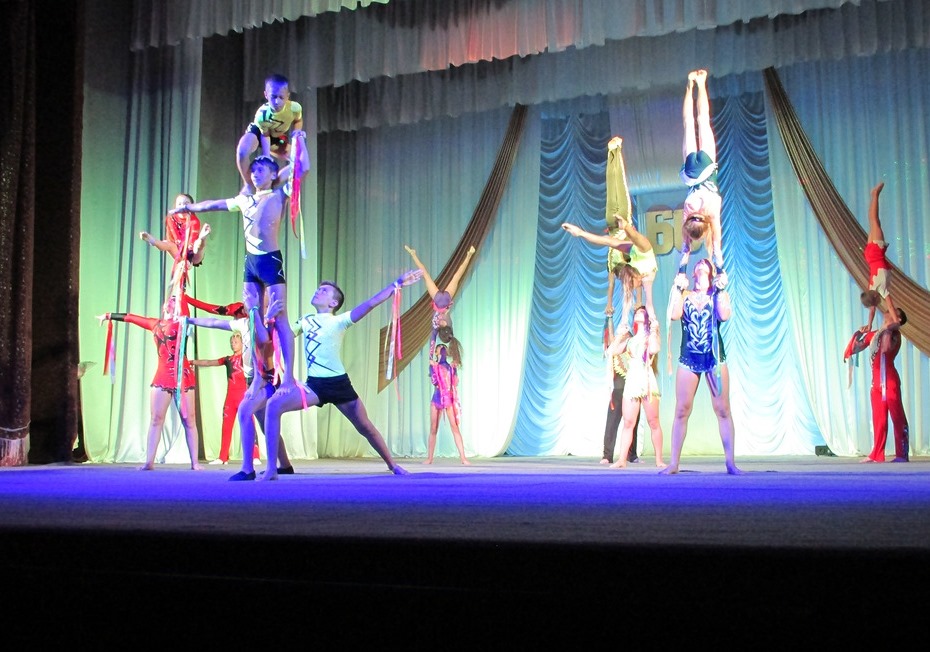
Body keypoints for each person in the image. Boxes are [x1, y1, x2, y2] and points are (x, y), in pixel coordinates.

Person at [171, 136, 311, 396]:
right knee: (252, 318)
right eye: (253, 170)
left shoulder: (279, 194)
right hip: (251, 265)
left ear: (273, 175)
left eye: (261, 170)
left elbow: (302, 168)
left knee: (280, 316)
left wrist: (299, 142)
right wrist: (189, 208)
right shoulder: (244, 200)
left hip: (270, 261)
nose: (255, 174)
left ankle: (289, 377)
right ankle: (257, 374)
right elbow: (213, 205)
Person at [259, 270, 424, 481]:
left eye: (324, 291)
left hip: (339, 384)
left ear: (333, 303)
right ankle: (273, 468)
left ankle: (393, 465)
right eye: (319, 288)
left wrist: (397, 283)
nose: (318, 291)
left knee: (365, 427)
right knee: (273, 406)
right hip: (315, 386)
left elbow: (371, 303)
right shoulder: (305, 320)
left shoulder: (340, 321)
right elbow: (282, 339)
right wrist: (270, 319)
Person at [186, 292, 293, 479]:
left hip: (267, 379)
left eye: (253, 297)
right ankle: (285, 464)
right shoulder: (243, 323)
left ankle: (247, 469)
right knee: (265, 425)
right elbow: (213, 322)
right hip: (252, 380)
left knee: (244, 411)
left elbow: (264, 340)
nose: (247, 299)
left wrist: (265, 315)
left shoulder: (271, 323)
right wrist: (189, 320)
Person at [97, 297, 202, 471]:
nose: (172, 301)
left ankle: (195, 463)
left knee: (189, 419)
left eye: (175, 300)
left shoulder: (183, 322)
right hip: (163, 376)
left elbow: (183, 303)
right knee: (156, 419)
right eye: (170, 300)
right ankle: (149, 462)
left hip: (182, 376)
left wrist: (181, 285)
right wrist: (109, 315)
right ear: (164, 306)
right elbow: (131, 317)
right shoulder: (155, 324)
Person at [661, 259, 741, 475]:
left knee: (723, 410)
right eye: (698, 265)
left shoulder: (716, 294)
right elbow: (674, 314)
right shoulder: (685, 294)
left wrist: (721, 289)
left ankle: (730, 463)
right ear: (693, 274)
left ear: (711, 273)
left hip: (714, 357)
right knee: (681, 410)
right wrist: (678, 287)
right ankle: (674, 463)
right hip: (689, 357)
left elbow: (724, 315)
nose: (701, 265)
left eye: (706, 265)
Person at [676, 70, 726, 290]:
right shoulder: (688, 213)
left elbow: (717, 247)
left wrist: (721, 271)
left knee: (703, 120)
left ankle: (701, 82)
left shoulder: (711, 213)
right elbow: (684, 251)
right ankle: (689, 84)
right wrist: (681, 272)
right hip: (691, 172)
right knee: (688, 123)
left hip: (706, 167)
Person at [561, 215, 658, 329]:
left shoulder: (647, 277)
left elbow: (649, 303)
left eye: (631, 284)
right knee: (609, 241)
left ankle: (626, 226)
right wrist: (580, 233)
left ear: (638, 277)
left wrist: (653, 321)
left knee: (636, 239)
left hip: (645, 251)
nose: (631, 288)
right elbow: (605, 240)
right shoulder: (635, 272)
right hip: (636, 253)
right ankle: (583, 232)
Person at [607, 306, 666, 469]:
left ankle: (659, 459)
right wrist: (620, 335)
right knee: (628, 422)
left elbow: (654, 349)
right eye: (637, 312)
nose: (638, 313)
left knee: (653, 421)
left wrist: (654, 330)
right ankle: (621, 459)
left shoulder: (650, 336)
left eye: (642, 312)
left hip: (646, 379)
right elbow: (611, 351)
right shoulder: (630, 340)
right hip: (632, 380)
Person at [190, 331, 261, 466]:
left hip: (244, 397)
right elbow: (209, 362)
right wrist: (192, 362)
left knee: (249, 425)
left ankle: (255, 455)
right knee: (226, 427)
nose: (233, 344)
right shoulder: (227, 359)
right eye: (232, 342)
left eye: (236, 342)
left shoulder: (248, 359)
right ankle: (223, 457)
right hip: (230, 398)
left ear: (243, 343)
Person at [404, 244, 476, 357]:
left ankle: (468, 255)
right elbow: (433, 340)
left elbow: (443, 332)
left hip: (445, 299)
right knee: (426, 275)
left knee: (457, 276)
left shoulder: (449, 326)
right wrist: (430, 357)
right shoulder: (436, 327)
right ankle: (413, 255)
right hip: (438, 300)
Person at [236, 74, 303, 191]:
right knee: (242, 151)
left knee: (299, 161)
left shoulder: (294, 108)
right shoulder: (262, 114)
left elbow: (298, 120)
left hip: (276, 137)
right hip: (259, 133)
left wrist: (297, 131)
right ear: (266, 95)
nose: (277, 102)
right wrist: (266, 156)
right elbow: (264, 135)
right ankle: (248, 184)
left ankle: (269, 184)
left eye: (281, 97)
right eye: (273, 97)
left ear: (287, 96)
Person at [860, 306, 909, 463]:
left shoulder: (894, 334)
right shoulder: (877, 334)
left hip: (889, 380)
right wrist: (862, 331)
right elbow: (858, 346)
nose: (887, 313)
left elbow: (886, 349)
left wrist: (889, 328)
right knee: (879, 418)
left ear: (897, 319)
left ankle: (902, 454)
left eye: (892, 312)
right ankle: (876, 454)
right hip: (876, 382)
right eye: (887, 311)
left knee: (897, 416)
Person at [860, 182, 900, 332]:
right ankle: (874, 195)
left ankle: (875, 194)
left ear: (876, 299)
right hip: (870, 256)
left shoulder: (881, 289)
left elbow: (890, 304)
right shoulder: (871, 289)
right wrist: (869, 325)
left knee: (874, 220)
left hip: (876, 252)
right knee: (873, 222)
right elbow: (872, 310)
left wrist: (896, 321)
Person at [424, 336, 470, 465]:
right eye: (439, 347)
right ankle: (429, 458)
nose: (442, 348)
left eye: (444, 347)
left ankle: (463, 458)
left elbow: (454, 382)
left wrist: (454, 369)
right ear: (436, 352)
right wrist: (434, 367)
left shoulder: (451, 367)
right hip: (437, 398)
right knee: (433, 428)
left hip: (448, 399)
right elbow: (435, 381)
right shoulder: (433, 366)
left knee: (455, 427)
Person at [601, 321, 641, 465]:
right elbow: (609, 351)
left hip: (633, 389)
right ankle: (607, 455)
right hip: (618, 389)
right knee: (612, 423)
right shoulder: (615, 349)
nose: (625, 335)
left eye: (627, 334)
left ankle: (632, 455)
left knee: (632, 423)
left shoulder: (634, 349)